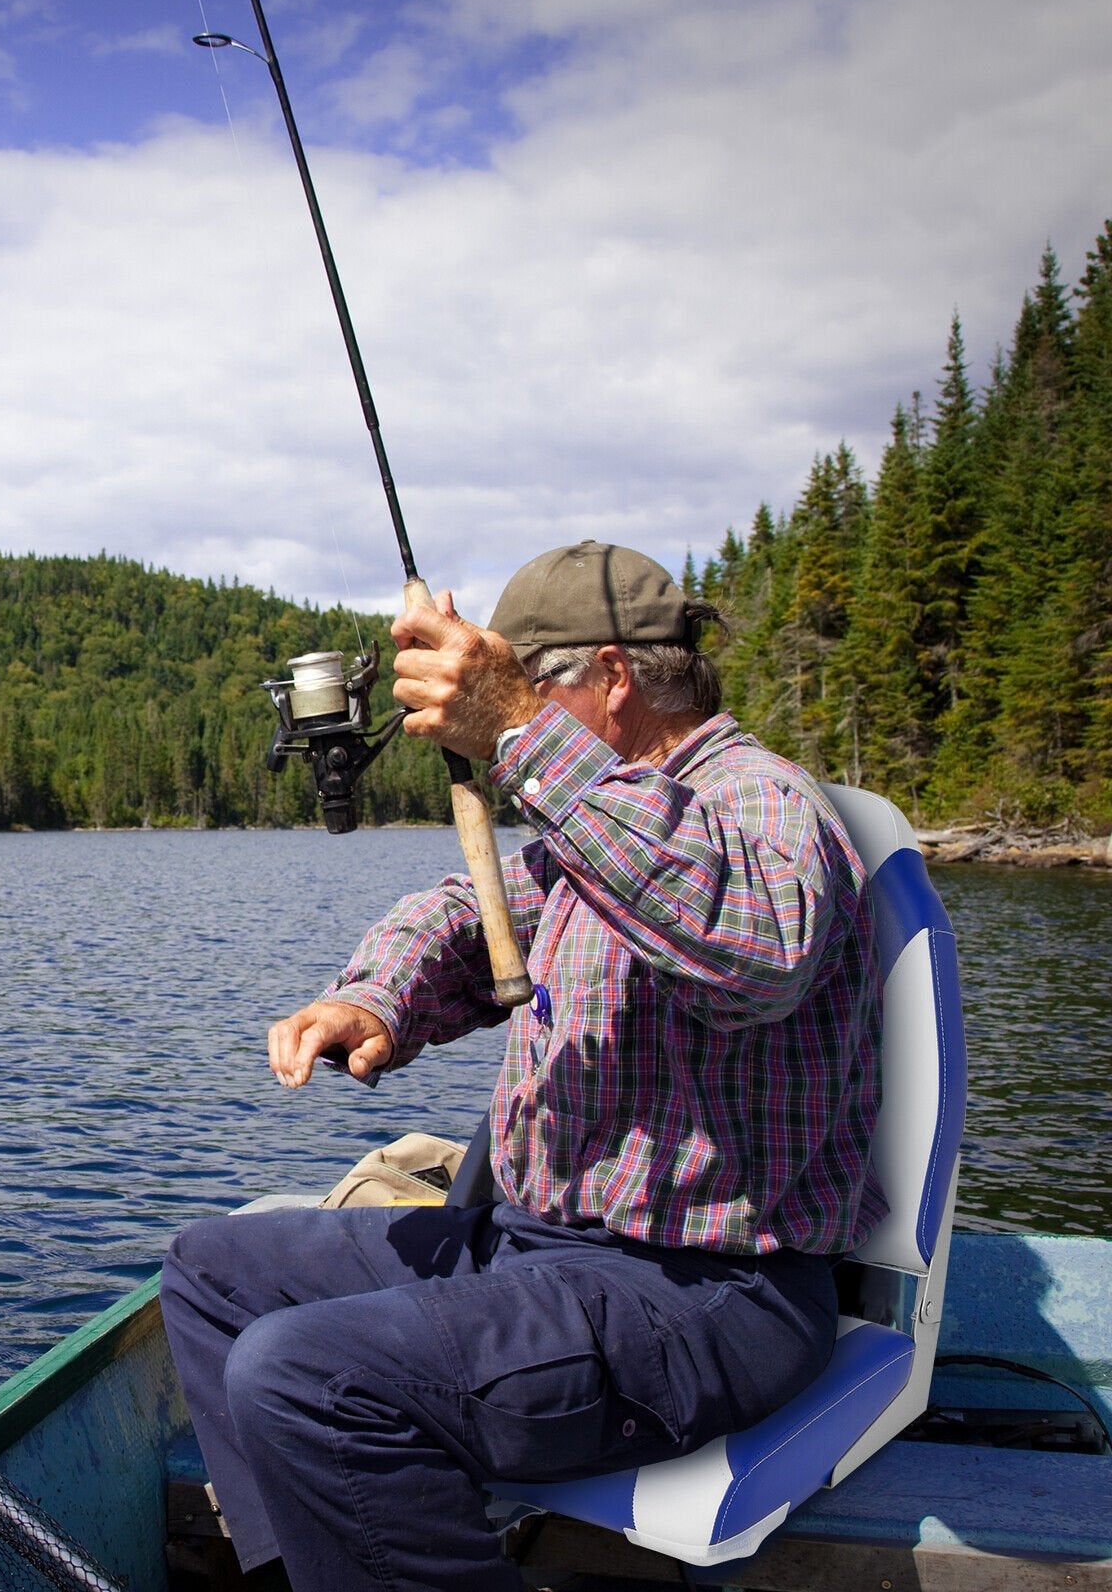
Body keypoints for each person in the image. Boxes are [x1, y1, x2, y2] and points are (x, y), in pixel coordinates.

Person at [160, 541, 885, 1592]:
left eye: (532, 686)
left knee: (303, 1374)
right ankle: (306, 1572)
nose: (509, 720)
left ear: (614, 676)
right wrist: (374, 997)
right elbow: (473, 919)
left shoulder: (759, 800)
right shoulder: (607, 816)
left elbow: (754, 951)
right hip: (534, 1251)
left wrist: (510, 729)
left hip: (707, 1294)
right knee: (213, 1267)